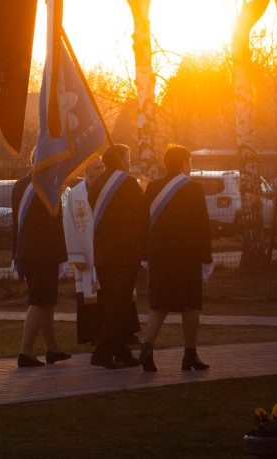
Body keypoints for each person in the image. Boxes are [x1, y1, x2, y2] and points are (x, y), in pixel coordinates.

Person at [139, 145, 213, 373]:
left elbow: (143, 223)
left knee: (158, 304)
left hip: (160, 255)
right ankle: (190, 354)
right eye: (189, 162)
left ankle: (147, 348)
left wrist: (144, 254)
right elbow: (202, 225)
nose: (190, 166)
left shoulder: (152, 187)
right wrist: (206, 257)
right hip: (187, 256)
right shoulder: (194, 189)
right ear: (183, 163)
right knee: (190, 304)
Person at [64, 156, 140, 347]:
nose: (100, 170)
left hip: (109, 252)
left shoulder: (111, 189)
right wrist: (76, 255)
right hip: (87, 253)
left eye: (102, 167)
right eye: (96, 167)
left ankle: (121, 336)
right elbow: (70, 226)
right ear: (86, 170)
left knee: (115, 297)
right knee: (93, 298)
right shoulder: (75, 194)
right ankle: (96, 336)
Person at [86, 144, 148, 369]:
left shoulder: (95, 184)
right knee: (119, 304)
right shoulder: (128, 183)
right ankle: (102, 352)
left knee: (111, 301)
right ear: (121, 159)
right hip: (124, 252)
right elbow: (139, 218)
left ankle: (120, 351)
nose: (129, 162)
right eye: (128, 157)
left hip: (102, 252)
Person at [12, 169, 70, 367]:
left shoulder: (19, 185)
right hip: (45, 252)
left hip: (25, 250)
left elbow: (16, 222)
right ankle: (25, 352)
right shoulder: (49, 186)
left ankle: (52, 349)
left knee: (46, 301)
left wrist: (15, 253)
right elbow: (55, 223)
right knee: (38, 301)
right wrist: (63, 255)